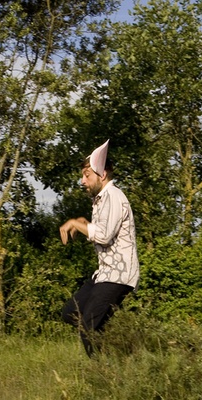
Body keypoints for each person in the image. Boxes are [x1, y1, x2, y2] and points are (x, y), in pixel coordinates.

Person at [60, 140, 139, 357]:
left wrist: (76, 224)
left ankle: (101, 374)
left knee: (88, 327)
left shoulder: (113, 196)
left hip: (118, 274)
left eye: (87, 175)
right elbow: (104, 229)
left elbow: (104, 235)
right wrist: (83, 222)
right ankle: (117, 349)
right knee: (70, 313)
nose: (82, 180)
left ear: (102, 174)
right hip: (104, 273)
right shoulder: (101, 200)